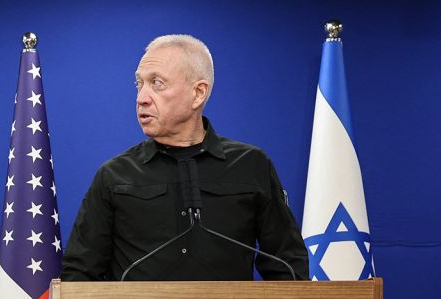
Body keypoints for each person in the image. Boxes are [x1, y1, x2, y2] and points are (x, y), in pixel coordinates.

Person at [61, 34, 306, 281]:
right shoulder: (114, 175)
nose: (141, 98)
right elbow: (79, 274)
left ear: (198, 93)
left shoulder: (251, 165)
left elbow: (287, 266)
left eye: (156, 83)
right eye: (139, 84)